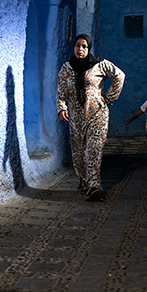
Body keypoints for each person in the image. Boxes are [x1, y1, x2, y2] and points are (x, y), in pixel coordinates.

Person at [57, 34, 125, 201]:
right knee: (78, 153)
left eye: (84, 46)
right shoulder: (67, 68)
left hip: (97, 116)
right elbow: (61, 89)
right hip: (76, 119)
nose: (80, 49)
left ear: (89, 48)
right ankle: (85, 181)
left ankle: (95, 186)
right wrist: (61, 107)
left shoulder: (99, 64)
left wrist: (109, 98)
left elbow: (119, 75)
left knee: (93, 150)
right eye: (77, 46)